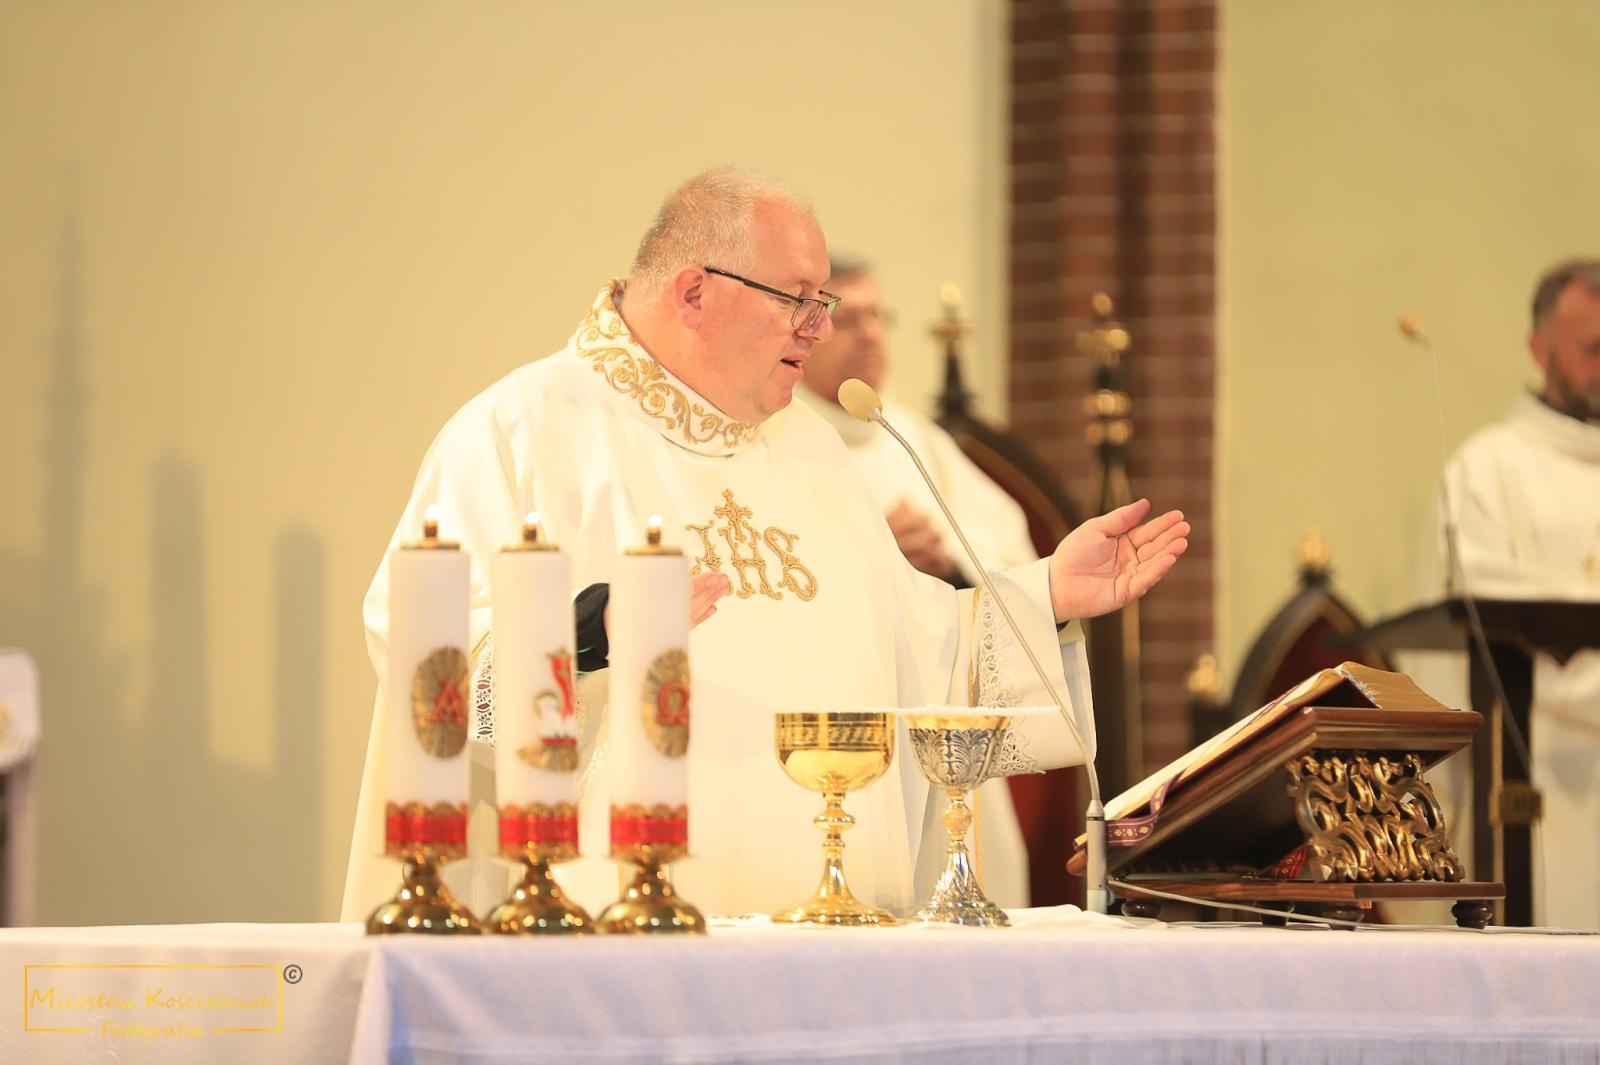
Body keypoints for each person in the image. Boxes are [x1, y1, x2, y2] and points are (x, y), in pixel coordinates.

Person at [340, 167, 1189, 922]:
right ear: (693, 291)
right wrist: (593, 635)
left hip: (836, 947)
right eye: (799, 298)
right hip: (609, 951)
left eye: (823, 302)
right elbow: (427, 669)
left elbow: (918, 663)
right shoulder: (521, 432)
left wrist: (1044, 597)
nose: (819, 329)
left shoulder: (814, 452)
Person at [795, 255, 1040, 905]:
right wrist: (875, 549)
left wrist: (946, 563)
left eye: (878, 317)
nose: (870, 334)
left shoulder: (911, 437)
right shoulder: (780, 435)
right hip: (850, 713)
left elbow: (1009, 547)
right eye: (848, 319)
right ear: (810, 331)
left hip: (941, 708)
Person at [1437, 257, 1600, 928]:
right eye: (1593, 349)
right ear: (1539, 348)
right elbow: (1481, 602)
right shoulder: (1487, 466)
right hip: (1538, 782)